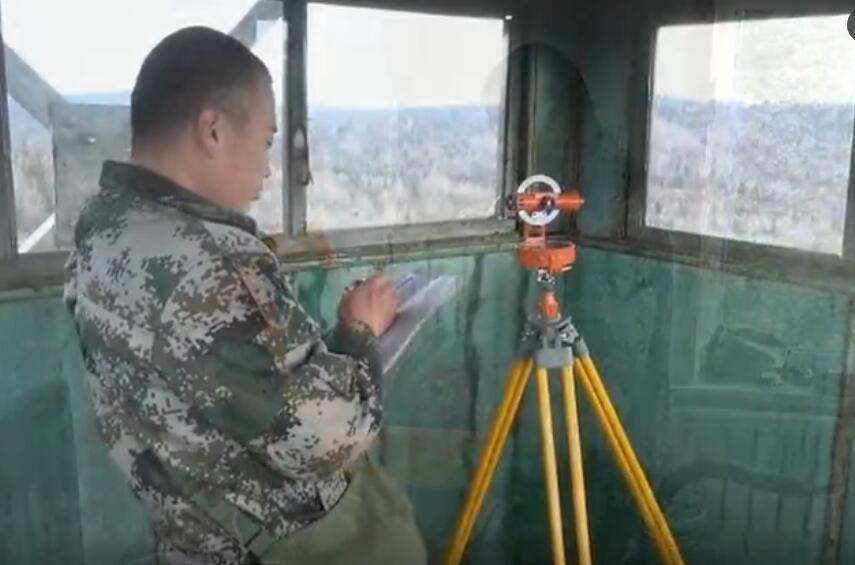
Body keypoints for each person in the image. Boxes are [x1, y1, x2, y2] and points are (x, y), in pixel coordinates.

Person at [63, 26, 427, 565]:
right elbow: (325, 439)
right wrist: (359, 331)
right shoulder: (210, 259)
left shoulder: (105, 225)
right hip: (279, 544)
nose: (268, 167)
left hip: (191, 536)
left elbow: (216, 381)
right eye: (266, 141)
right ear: (213, 130)